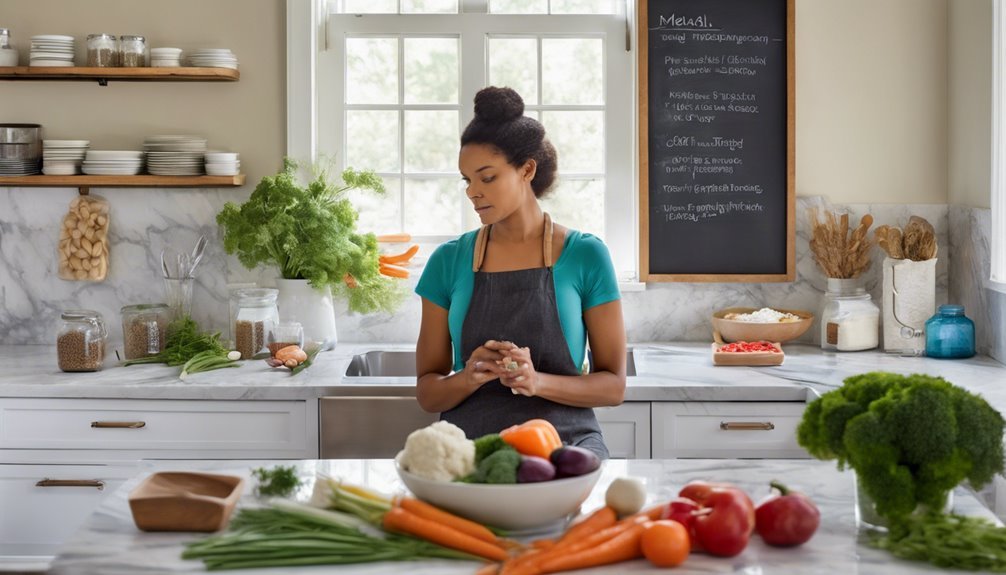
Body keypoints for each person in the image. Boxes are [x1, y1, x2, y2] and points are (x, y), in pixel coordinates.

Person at [414, 86, 627, 459]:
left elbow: (613, 387)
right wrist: (469, 376)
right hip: (470, 447)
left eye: (487, 178)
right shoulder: (448, 261)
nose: (472, 192)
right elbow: (429, 393)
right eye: (467, 179)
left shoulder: (585, 255)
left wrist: (535, 381)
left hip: (566, 443)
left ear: (527, 169)